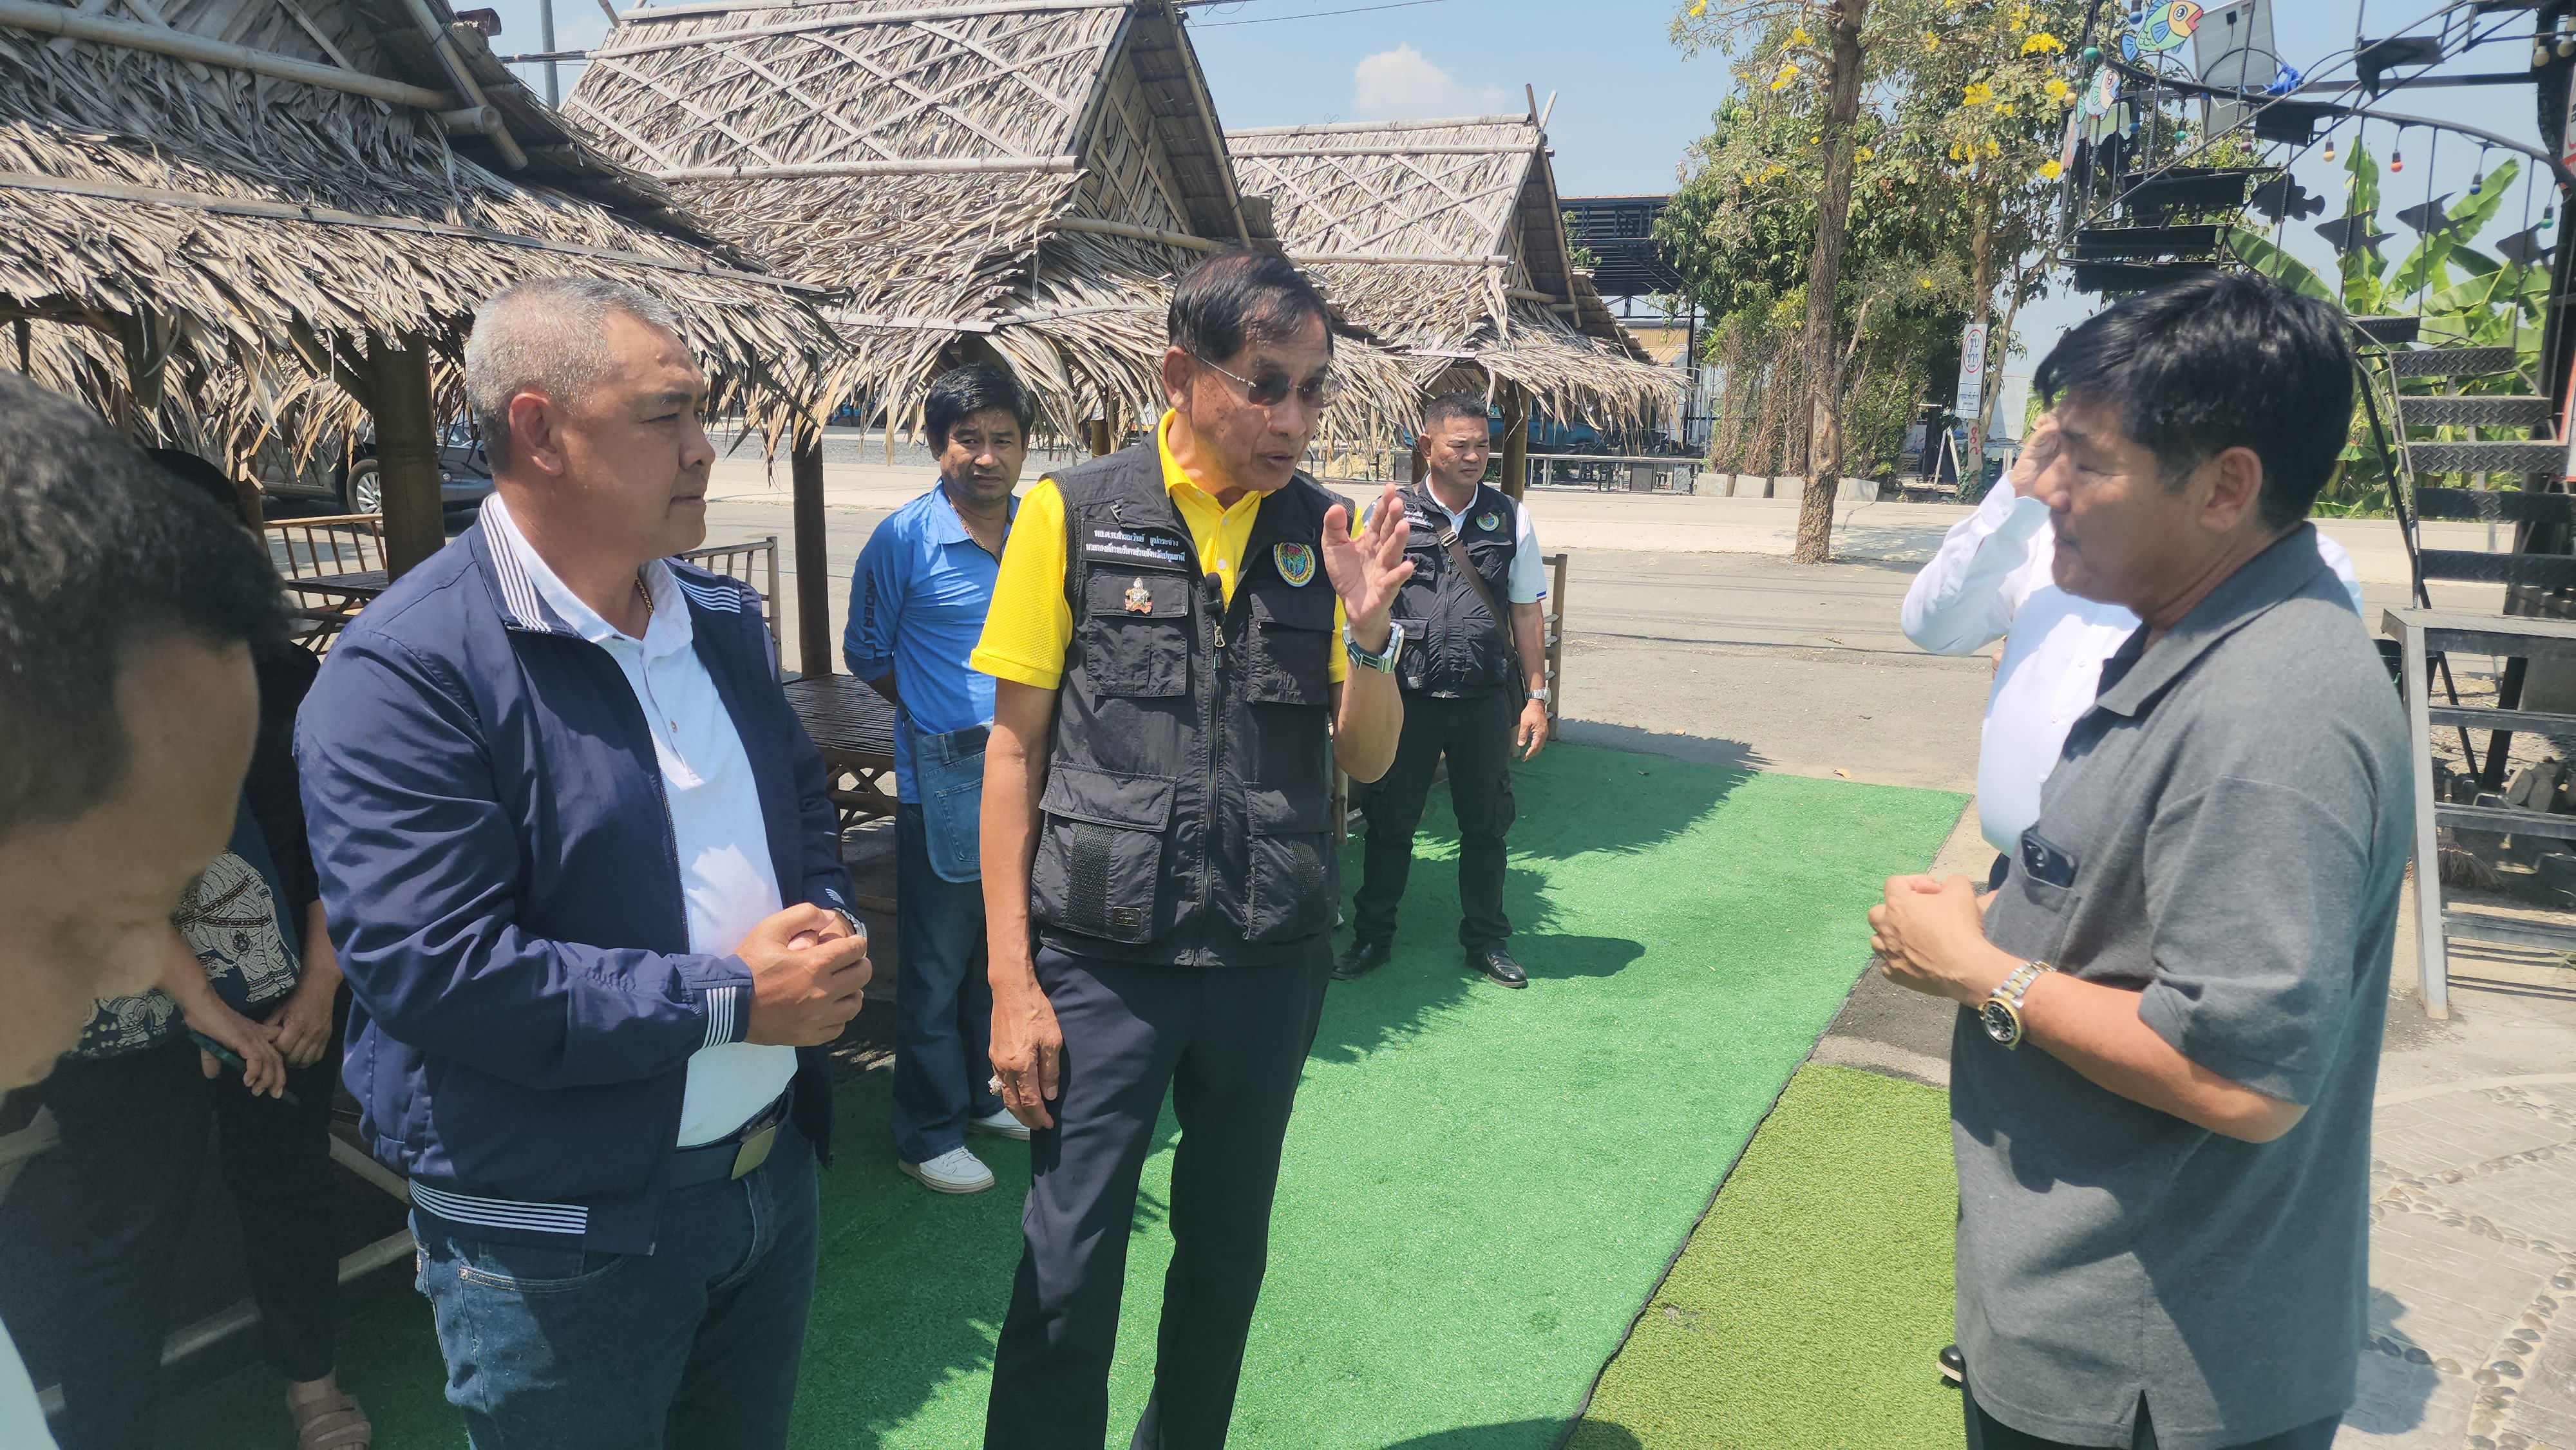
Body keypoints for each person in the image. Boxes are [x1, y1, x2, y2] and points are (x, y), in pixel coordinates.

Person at [294, 278, 871, 1449]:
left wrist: (825, 917)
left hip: (766, 1176)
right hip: (552, 1230)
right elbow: (438, 970)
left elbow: (800, 800)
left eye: (701, 412)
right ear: (540, 431)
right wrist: (733, 999)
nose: (704, 447)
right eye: (667, 415)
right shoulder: (405, 671)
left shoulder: (718, 618)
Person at [1868, 272, 2408, 1450]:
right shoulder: (2197, 632)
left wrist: (1982, 971)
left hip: (2146, 1360)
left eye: (2088, 461)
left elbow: (2242, 1080)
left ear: (2226, 487)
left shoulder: (2271, 711)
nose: (2048, 488)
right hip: (2105, 1309)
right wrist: (2008, 912)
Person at [969, 249, 1413, 1449]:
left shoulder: (1323, 535)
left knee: (1224, 1257)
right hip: (1103, 963)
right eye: (1266, 385)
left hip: (1269, 960)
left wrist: (1371, 635)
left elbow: (1368, 760)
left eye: (1313, 390)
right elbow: (1011, 756)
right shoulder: (1072, 513)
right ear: (1181, 374)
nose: (1293, 419)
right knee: (1067, 1271)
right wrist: (1011, 982)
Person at [1, 451, 366, 1449]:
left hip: (286, 980)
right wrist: (202, 1009)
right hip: (118, 1005)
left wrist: (320, 985)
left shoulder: (291, 682)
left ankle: (313, 1385)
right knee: (126, 1233)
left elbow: (342, 846)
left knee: (288, 1187)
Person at [1902, 412, 2369, 863]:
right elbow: (1934, 627)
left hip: (2153, 897)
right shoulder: (2045, 529)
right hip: (2018, 873)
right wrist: (2019, 496)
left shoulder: (2299, 566)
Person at [844, 361, 1034, 1194]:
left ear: (1024, 447)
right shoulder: (903, 540)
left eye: (1003, 438)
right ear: (936, 446)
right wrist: (929, 712)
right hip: (947, 779)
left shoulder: (1039, 531)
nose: (986, 456)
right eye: (968, 439)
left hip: (1029, 771)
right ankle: (925, 1133)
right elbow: (865, 650)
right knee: (934, 966)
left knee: (1001, 948)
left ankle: (982, 1094)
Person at [1336, 391, 1553, 988]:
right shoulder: (1389, 513)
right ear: (1427, 445)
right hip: (1406, 697)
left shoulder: (1511, 517)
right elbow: (1361, 604)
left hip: (1483, 698)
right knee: (1389, 822)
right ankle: (1372, 938)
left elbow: (1526, 612)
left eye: (1484, 445)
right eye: (1461, 445)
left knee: (1487, 827)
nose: (1475, 456)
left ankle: (1486, 941)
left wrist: (1536, 697)